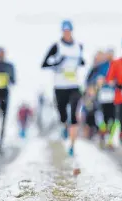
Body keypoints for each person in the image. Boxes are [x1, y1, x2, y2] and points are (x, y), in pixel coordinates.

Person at [41, 20, 85, 156]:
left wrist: (81, 62)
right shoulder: (56, 46)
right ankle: (64, 126)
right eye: (64, 31)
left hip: (74, 86)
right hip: (59, 86)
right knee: (63, 115)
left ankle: (72, 145)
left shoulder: (79, 46)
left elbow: (82, 61)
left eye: (68, 31)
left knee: (73, 115)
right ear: (62, 32)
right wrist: (58, 62)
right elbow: (44, 64)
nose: (66, 33)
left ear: (71, 31)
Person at [96, 49, 118, 149]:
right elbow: (99, 81)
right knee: (104, 119)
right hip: (104, 96)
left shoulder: (117, 65)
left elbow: (119, 79)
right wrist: (107, 81)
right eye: (108, 54)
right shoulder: (101, 66)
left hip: (114, 96)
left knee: (114, 119)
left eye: (111, 54)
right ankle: (103, 135)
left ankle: (110, 140)